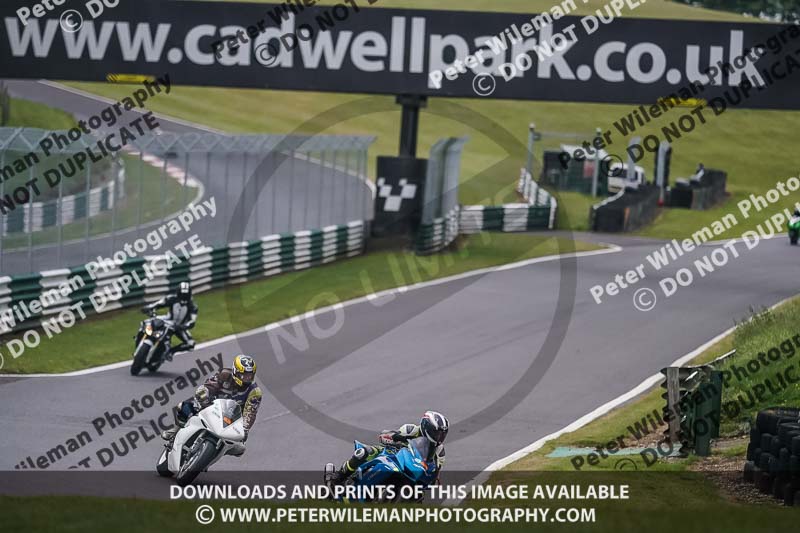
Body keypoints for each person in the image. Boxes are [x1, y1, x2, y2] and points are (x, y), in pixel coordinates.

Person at [161, 354, 262, 448]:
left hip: (231, 421)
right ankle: (175, 430)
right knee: (184, 406)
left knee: (240, 448)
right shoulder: (224, 375)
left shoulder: (254, 392)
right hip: (211, 408)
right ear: (236, 372)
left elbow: (250, 413)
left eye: (250, 375)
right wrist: (203, 395)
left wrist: (245, 429)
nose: (247, 379)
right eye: (244, 375)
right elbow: (208, 386)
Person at [330, 411, 449, 485]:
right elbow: (384, 436)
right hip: (393, 455)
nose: (439, 437)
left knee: (420, 494)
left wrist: (434, 478)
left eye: (442, 434)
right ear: (426, 427)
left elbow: (436, 471)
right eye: (437, 433)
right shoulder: (410, 430)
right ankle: (339, 477)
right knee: (364, 452)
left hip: (415, 470)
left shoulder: (439, 451)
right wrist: (395, 438)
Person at [141, 282, 198, 361]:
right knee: (147, 322)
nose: (183, 298)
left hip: (179, 327)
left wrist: (183, 326)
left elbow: (192, 321)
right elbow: (158, 303)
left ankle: (170, 352)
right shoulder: (171, 298)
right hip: (167, 320)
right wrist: (149, 307)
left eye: (185, 295)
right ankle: (141, 338)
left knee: (191, 344)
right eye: (182, 295)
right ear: (178, 293)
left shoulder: (193, 306)